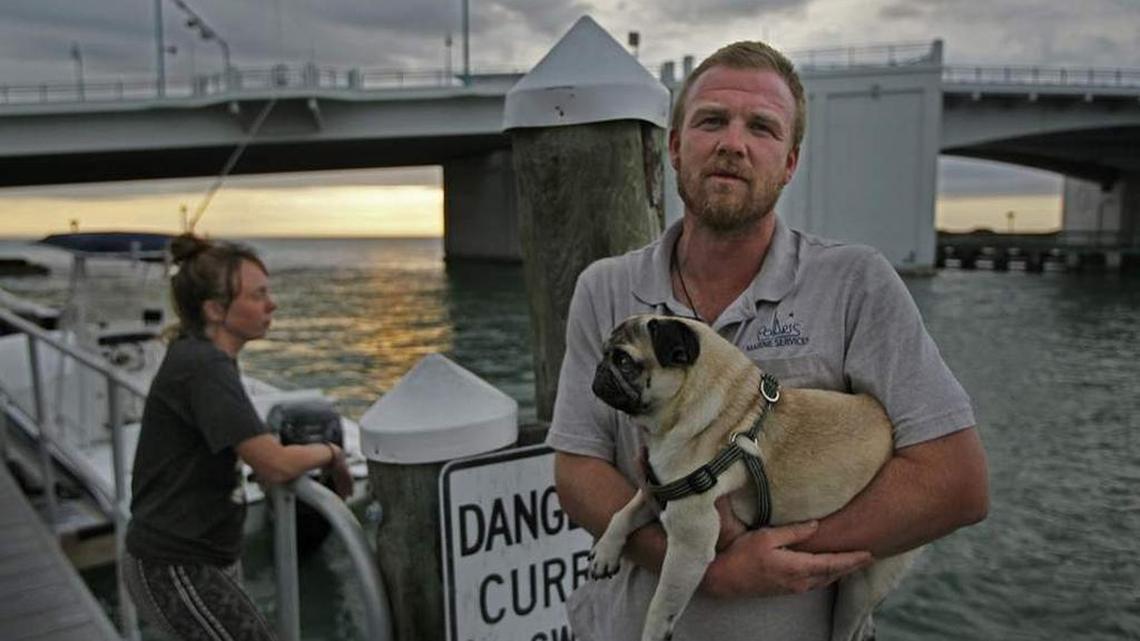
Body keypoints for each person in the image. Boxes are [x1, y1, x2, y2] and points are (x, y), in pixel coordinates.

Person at [546, 40, 989, 640]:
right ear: (674, 147)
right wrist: (712, 569)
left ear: (790, 162)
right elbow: (576, 469)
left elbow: (955, 483)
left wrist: (776, 557)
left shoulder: (856, 282)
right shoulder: (606, 287)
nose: (733, 142)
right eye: (710, 121)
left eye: (761, 126)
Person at [123, 234, 352, 641]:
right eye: (258, 294)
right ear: (215, 310)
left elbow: (246, 446)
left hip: (194, 557)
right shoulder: (205, 366)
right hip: (176, 563)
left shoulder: (199, 356)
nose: (272, 304)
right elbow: (274, 464)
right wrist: (331, 452)